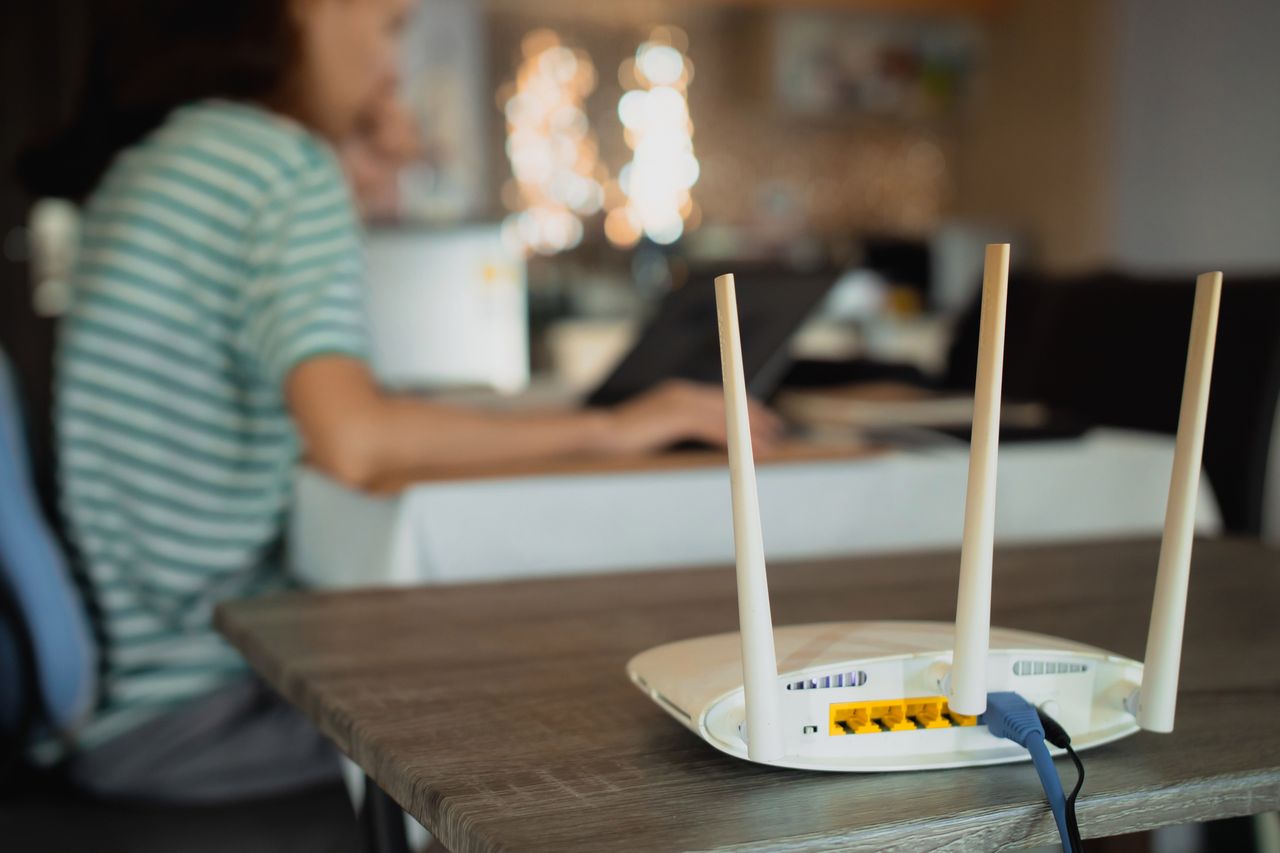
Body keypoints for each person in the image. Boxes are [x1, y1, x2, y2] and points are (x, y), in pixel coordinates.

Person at [21, 0, 779, 802]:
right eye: (389, 23)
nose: (395, 64)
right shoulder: (272, 163)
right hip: (201, 706)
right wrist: (617, 428)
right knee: (613, 714)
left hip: (134, 696)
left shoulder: (156, 162)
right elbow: (356, 439)